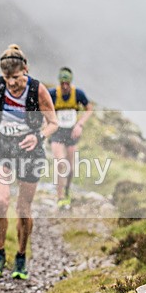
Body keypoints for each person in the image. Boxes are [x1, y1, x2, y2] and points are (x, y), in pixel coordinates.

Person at [0, 45, 58, 280]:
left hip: (29, 151)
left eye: (16, 78)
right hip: (0, 147)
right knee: (1, 201)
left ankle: (20, 256)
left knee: (22, 209)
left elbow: (53, 123)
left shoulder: (38, 91)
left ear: (25, 70)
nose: (11, 83)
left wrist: (38, 136)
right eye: (8, 78)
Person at [49, 67, 93, 210]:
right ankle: (60, 196)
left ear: (71, 82)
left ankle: (67, 190)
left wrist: (80, 124)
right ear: (59, 82)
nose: (65, 86)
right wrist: (47, 122)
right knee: (60, 164)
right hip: (57, 132)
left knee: (70, 167)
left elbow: (89, 109)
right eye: (62, 83)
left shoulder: (78, 94)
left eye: (67, 83)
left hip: (71, 132)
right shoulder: (52, 94)